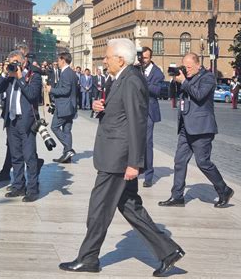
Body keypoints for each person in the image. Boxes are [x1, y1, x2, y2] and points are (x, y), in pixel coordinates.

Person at [59, 39, 184, 276]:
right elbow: (122, 115)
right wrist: (101, 107)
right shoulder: (122, 79)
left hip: (118, 160)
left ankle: (88, 258)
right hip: (115, 155)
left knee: (98, 209)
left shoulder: (132, 81)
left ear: (120, 59)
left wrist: (134, 163)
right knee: (130, 207)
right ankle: (168, 252)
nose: (104, 61)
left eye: (107, 57)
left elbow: (138, 123)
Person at [159, 52, 234, 208]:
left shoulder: (208, 78)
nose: (187, 70)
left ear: (198, 65)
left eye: (189, 67)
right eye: (185, 67)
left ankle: (224, 189)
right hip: (185, 126)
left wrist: (184, 81)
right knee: (179, 161)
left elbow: (199, 95)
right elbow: (172, 95)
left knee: (203, 162)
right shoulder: (187, 78)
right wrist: (175, 81)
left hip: (202, 128)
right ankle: (177, 196)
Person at [0, 50, 42, 202]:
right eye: (11, 62)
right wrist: (4, 73)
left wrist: (20, 78)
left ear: (23, 62)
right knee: (16, 157)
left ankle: (32, 189)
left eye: (16, 62)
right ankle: (18, 186)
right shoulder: (9, 76)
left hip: (26, 122)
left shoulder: (34, 76)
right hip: (11, 121)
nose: (13, 66)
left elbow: (32, 95)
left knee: (29, 157)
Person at [47, 52, 78, 164]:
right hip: (71, 106)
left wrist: (52, 90)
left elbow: (66, 90)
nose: (57, 62)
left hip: (64, 106)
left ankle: (68, 149)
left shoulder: (65, 73)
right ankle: (67, 156)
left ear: (63, 60)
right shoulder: (72, 72)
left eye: (58, 60)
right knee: (67, 130)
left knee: (54, 127)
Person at [141, 46, 164, 188]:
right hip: (135, 110)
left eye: (146, 58)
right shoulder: (135, 69)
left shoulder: (157, 73)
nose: (143, 60)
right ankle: (137, 167)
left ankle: (149, 175)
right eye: (142, 57)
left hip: (149, 111)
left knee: (147, 142)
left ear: (151, 58)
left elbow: (157, 90)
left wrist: (143, 81)